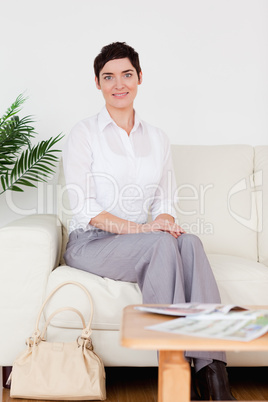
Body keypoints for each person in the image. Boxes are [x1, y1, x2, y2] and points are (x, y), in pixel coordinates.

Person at [63, 41, 236, 401]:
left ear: (140, 77)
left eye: (126, 74)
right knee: (160, 242)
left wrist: (165, 222)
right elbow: (87, 210)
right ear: (97, 83)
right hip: (90, 242)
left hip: (137, 242)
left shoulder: (157, 138)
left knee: (188, 242)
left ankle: (213, 378)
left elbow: (164, 200)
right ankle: (175, 370)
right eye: (108, 77)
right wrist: (148, 230)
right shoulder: (84, 134)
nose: (118, 83)